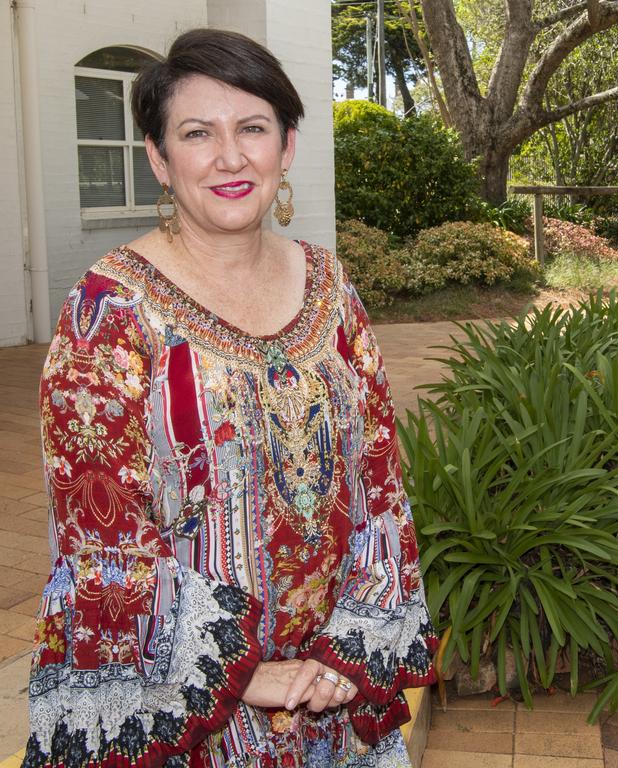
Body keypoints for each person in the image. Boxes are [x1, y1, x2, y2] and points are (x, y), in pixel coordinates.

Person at [24, 28, 436, 768]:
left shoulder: (330, 286)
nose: (230, 157)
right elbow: (100, 534)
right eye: (197, 133)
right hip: (193, 715)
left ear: (288, 145)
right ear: (159, 157)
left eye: (253, 128)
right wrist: (245, 674)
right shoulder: (108, 310)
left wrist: (349, 647)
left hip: (328, 697)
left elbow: (380, 479)